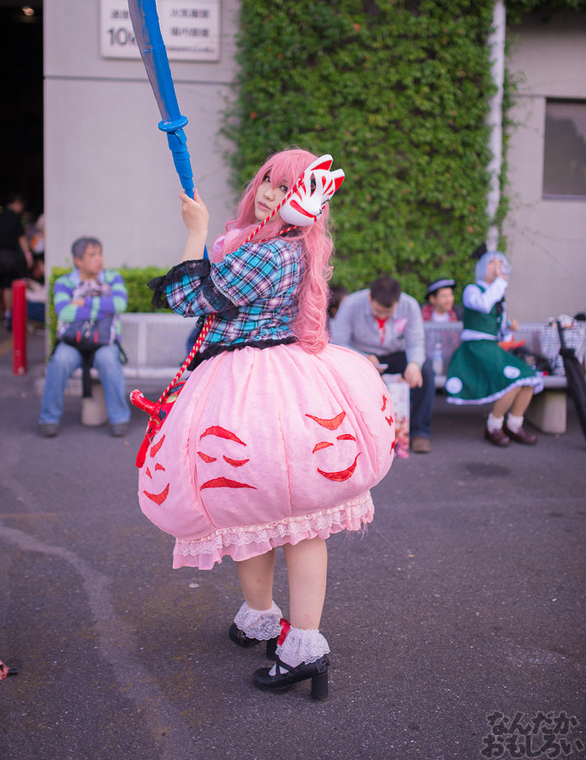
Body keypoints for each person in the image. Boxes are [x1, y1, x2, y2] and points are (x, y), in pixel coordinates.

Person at [133, 148, 395, 700]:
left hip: (250, 391)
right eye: (268, 182)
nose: (272, 195)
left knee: (273, 515)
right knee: (277, 515)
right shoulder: (287, 248)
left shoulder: (271, 254)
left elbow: (188, 297)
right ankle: (271, 624)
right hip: (283, 383)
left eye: (286, 188)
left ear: (308, 199)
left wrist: (195, 230)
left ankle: (298, 640)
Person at [445, 251, 543, 446]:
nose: (497, 266)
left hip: (492, 348)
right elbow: (482, 305)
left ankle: (514, 425)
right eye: (491, 262)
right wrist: (500, 281)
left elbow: (501, 334)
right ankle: (494, 426)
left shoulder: (498, 294)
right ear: (482, 267)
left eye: (500, 262)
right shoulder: (472, 290)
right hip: (474, 349)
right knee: (512, 380)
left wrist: (508, 327)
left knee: (528, 377)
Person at [331, 274, 435, 454]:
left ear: (398, 300)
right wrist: (362, 357)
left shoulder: (409, 305)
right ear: (370, 297)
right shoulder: (351, 304)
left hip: (395, 355)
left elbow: (415, 341)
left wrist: (414, 364)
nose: (383, 316)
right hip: (361, 356)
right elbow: (339, 342)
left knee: (425, 372)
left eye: (389, 312)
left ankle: (420, 432)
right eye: (379, 311)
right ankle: (353, 431)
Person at [38, 237, 131, 438]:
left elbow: (119, 305)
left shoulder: (113, 277)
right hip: (73, 342)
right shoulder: (64, 282)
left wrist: (83, 302)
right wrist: (102, 307)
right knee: (60, 360)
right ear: (78, 260)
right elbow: (64, 312)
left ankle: (119, 418)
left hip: (104, 341)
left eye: (100, 254)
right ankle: (49, 419)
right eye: (92, 255)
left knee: (108, 359)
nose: (99, 259)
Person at [0, 193, 32, 330]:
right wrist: (28, 255)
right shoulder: (16, 218)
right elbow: (21, 238)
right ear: (18, 203)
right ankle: (9, 315)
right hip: (9, 257)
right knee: (7, 285)